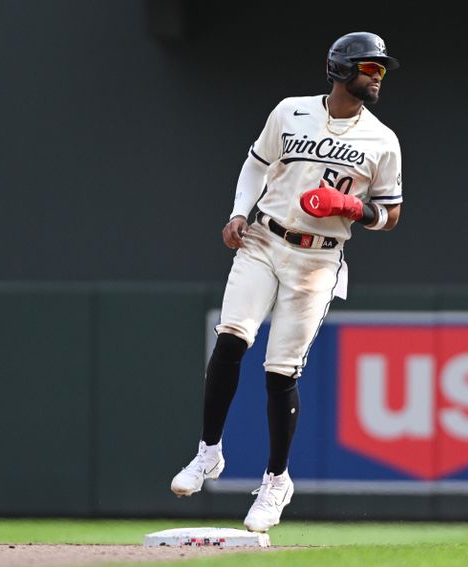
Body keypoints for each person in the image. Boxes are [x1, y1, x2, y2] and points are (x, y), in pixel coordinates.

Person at [170, 31, 403, 532]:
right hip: (264, 240)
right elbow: (256, 166)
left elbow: (391, 215)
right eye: (370, 67)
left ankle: (277, 480)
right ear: (341, 68)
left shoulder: (383, 140)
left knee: (280, 373)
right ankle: (208, 452)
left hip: (318, 261)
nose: (377, 76)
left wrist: (355, 209)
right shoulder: (291, 111)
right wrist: (237, 212)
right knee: (231, 339)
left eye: (381, 69)